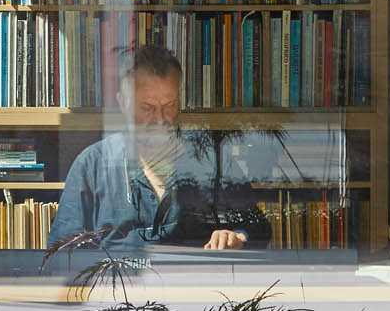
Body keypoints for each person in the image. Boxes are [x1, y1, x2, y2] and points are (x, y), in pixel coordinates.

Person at [46, 43, 269, 255]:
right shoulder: (92, 164)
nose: (161, 119)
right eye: (147, 108)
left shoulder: (212, 158)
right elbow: (63, 250)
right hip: (116, 289)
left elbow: (258, 227)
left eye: (170, 105)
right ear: (123, 103)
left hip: (194, 288)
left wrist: (238, 237)